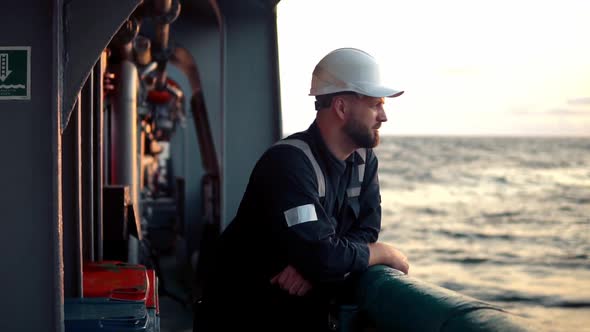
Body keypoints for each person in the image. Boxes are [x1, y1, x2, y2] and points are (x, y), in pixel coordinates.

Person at [195, 48, 410, 331]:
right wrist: (382, 254)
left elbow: (364, 230)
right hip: (239, 313)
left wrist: (317, 266)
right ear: (342, 107)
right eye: (375, 104)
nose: (383, 116)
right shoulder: (289, 163)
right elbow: (325, 255)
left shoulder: (364, 160)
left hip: (295, 313)